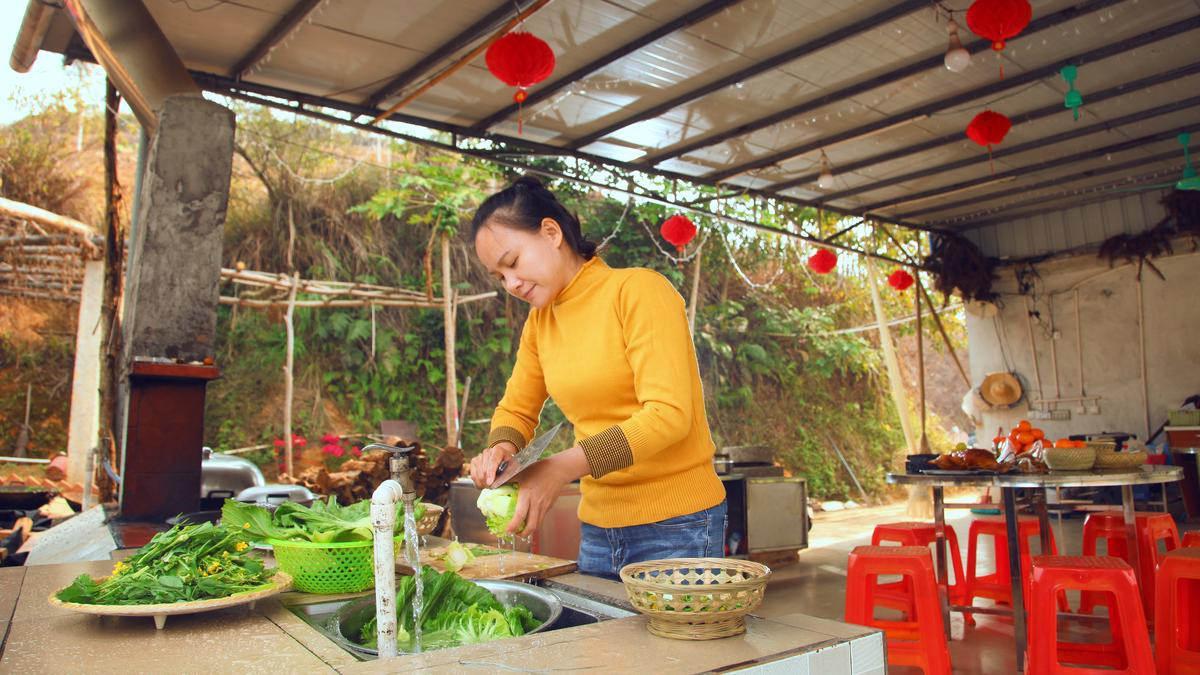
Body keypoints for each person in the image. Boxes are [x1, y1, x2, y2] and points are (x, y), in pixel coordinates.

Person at [468, 175, 726, 579]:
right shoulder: (540, 323)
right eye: (499, 277)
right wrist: (501, 448)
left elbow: (669, 416)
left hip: (678, 525)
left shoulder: (637, 291)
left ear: (551, 232)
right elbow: (516, 409)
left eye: (513, 263)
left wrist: (559, 468)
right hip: (599, 530)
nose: (511, 284)